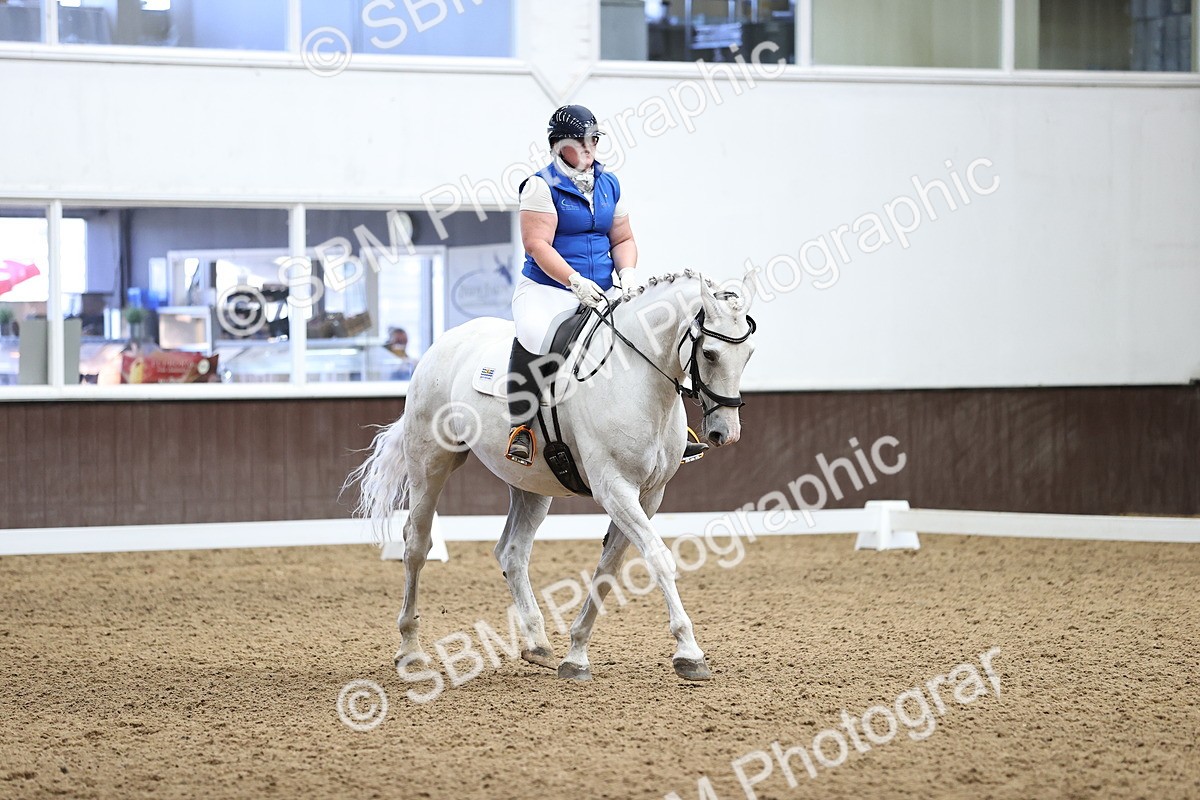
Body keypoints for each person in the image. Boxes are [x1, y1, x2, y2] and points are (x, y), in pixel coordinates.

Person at [504, 104, 707, 466]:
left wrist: (627, 274)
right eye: (580, 142)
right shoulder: (540, 185)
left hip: (603, 286)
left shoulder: (609, 183)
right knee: (536, 334)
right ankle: (521, 427)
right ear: (557, 145)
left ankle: (673, 431)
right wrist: (574, 281)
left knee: (648, 334)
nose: (589, 148)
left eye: (593, 140)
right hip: (548, 289)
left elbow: (623, 238)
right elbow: (537, 244)